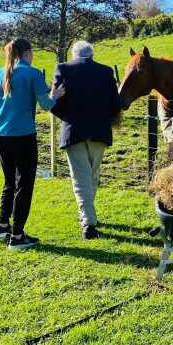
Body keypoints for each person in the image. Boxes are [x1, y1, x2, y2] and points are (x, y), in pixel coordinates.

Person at [0, 38, 65, 249]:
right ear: (27, 52)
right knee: (24, 183)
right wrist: (56, 95)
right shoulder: (32, 73)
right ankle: (18, 236)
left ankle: (3, 226)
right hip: (23, 136)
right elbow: (46, 104)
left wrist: (0, 127)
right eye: (32, 53)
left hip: (1, 135)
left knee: (9, 181)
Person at [51, 41, 122, 239]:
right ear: (92, 55)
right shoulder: (106, 72)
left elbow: (54, 103)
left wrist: (68, 117)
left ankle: (88, 222)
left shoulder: (63, 69)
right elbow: (115, 105)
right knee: (91, 175)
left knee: (81, 177)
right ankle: (88, 216)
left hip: (74, 131)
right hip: (100, 131)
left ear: (74, 54)